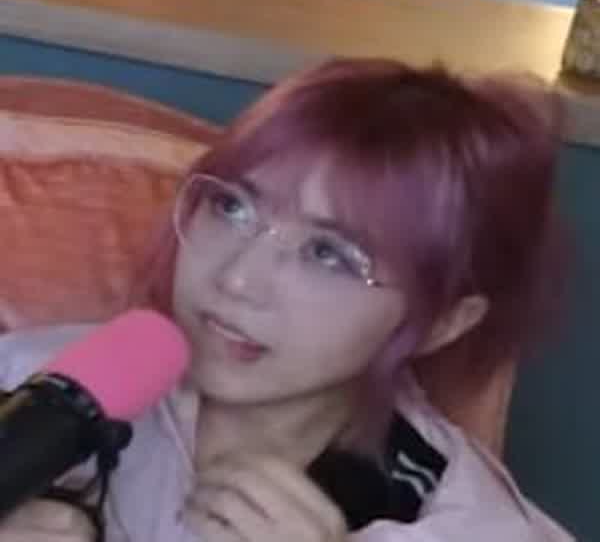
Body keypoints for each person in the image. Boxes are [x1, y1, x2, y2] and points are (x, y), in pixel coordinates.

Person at [0, 58, 574, 541]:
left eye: (329, 254)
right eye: (231, 208)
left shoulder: (456, 521)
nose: (237, 279)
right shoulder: (35, 377)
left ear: (441, 322)